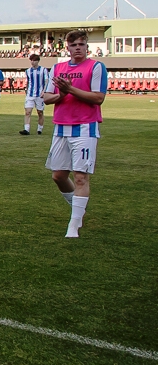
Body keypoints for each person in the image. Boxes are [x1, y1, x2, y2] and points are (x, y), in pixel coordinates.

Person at [43, 30, 107, 238]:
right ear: (67, 48)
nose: (77, 48)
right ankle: (78, 208)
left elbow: (98, 98)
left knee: (80, 177)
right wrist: (62, 94)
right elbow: (47, 98)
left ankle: (74, 224)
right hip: (61, 127)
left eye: (81, 44)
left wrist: (70, 90)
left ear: (87, 46)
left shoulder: (96, 67)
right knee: (58, 176)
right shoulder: (58, 68)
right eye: (73, 45)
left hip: (85, 127)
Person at [21, 54, 49, 135]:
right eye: (31, 60)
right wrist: (27, 91)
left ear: (38, 61)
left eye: (34, 60)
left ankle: (40, 129)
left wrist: (44, 91)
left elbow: (46, 81)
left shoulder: (43, 70)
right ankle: (26, 129)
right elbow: (28, 82)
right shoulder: (28, 71)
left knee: (40, 112)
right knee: (28, 112)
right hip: (30, 94)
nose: (32, 62)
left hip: (39, 95)